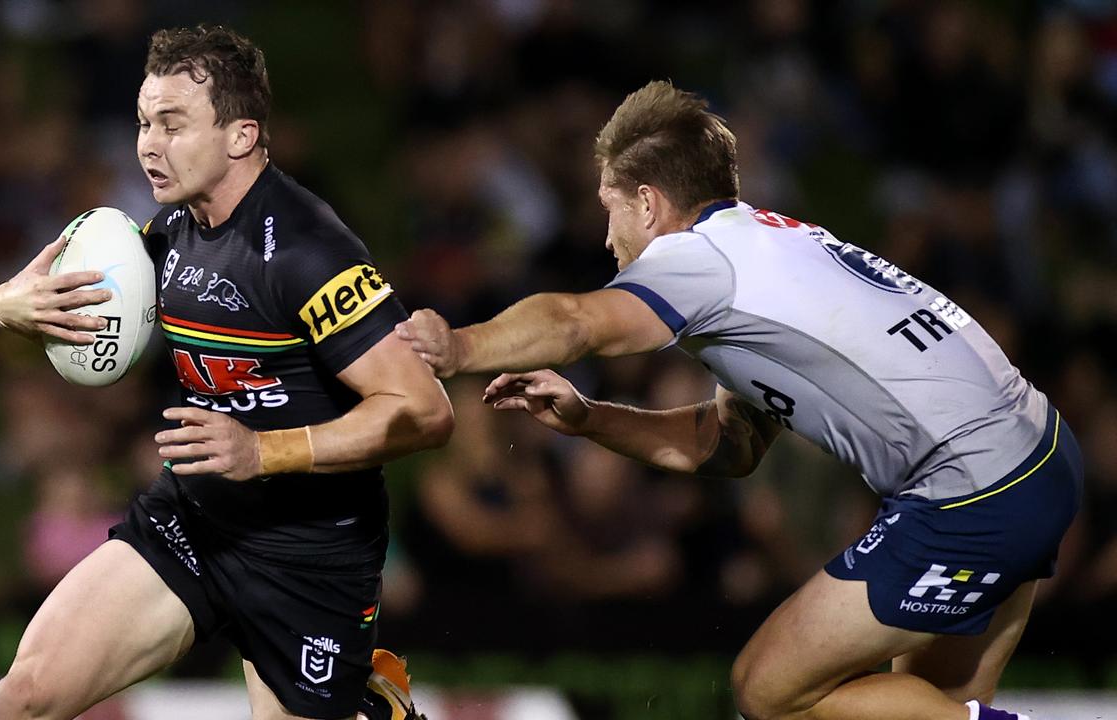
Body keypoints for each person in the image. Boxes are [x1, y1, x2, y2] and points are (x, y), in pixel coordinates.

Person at [396, 80, 1082, 720]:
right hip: (1040, 455)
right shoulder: (769, 253)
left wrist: (459, 346)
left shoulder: (697, 259)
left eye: (611, 209)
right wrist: (591, 418)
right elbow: (725, 446)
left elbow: (575, 322)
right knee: (923, 703)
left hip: (974, 492)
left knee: (769, 686)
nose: (608, 239)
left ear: (647, 203)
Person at [0, 25, 451, 720]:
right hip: (193, 521)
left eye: (172, 124)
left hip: (308, 559)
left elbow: (426, 410)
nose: (147, 144)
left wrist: (263, 450)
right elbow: (67, 299)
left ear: (241, 136)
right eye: (144, 122)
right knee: (25, 696)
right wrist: (7, 304)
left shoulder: (307, 251)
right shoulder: (170, 231)